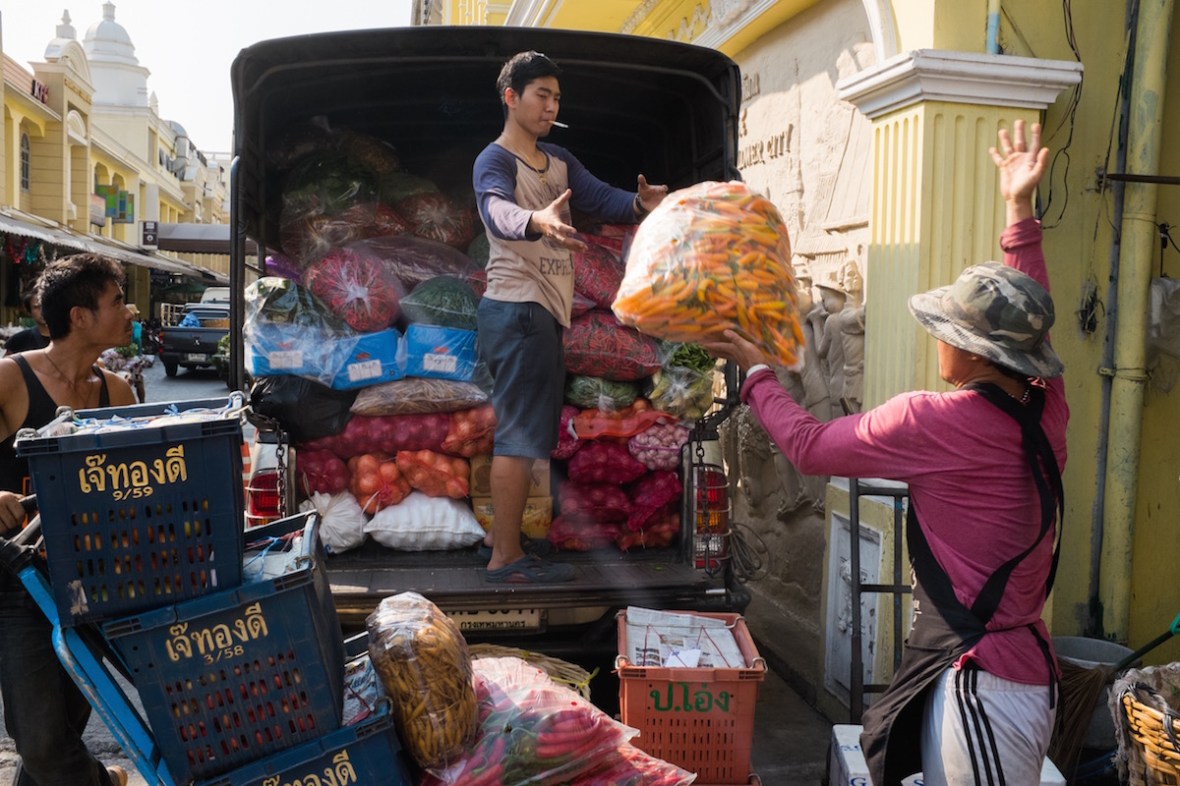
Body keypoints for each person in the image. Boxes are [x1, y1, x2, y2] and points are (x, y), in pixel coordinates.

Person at [703, 120, 1066, 785]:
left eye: (944, 328)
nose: (936, 338)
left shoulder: (933, 423)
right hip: (1003, 669)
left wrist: (757, 372)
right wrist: (1019, 215)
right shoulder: (1047, 408)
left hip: (985, 691)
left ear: (975, 351)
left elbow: (809, 448)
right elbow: (1028, 312)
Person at [472, 50, 668, 583]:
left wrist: (638, 204)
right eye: (542, 95)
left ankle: (501, 537)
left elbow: (601, 197)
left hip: (538, 317)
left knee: (526, 434)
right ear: (511, 98)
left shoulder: (557, 160)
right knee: (518, 436)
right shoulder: (495, 161)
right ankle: (505, 558)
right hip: (517, 312)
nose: (551, 105)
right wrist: (535, 219)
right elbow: (496, 209)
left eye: (556, 97)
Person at [0, 253, 136, 786]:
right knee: (39, 743)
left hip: (89, 583)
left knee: (55, 743)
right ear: (80, 317)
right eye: (118, 300)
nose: (130, 312)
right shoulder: (13, 379)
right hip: (19, 584)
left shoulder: (116, 393)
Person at [3, 291, 51, 355]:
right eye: (36, 307)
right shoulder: (18, 341)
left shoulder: (67, 339)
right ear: (29, 311)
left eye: (47, 305)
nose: (42, 311)